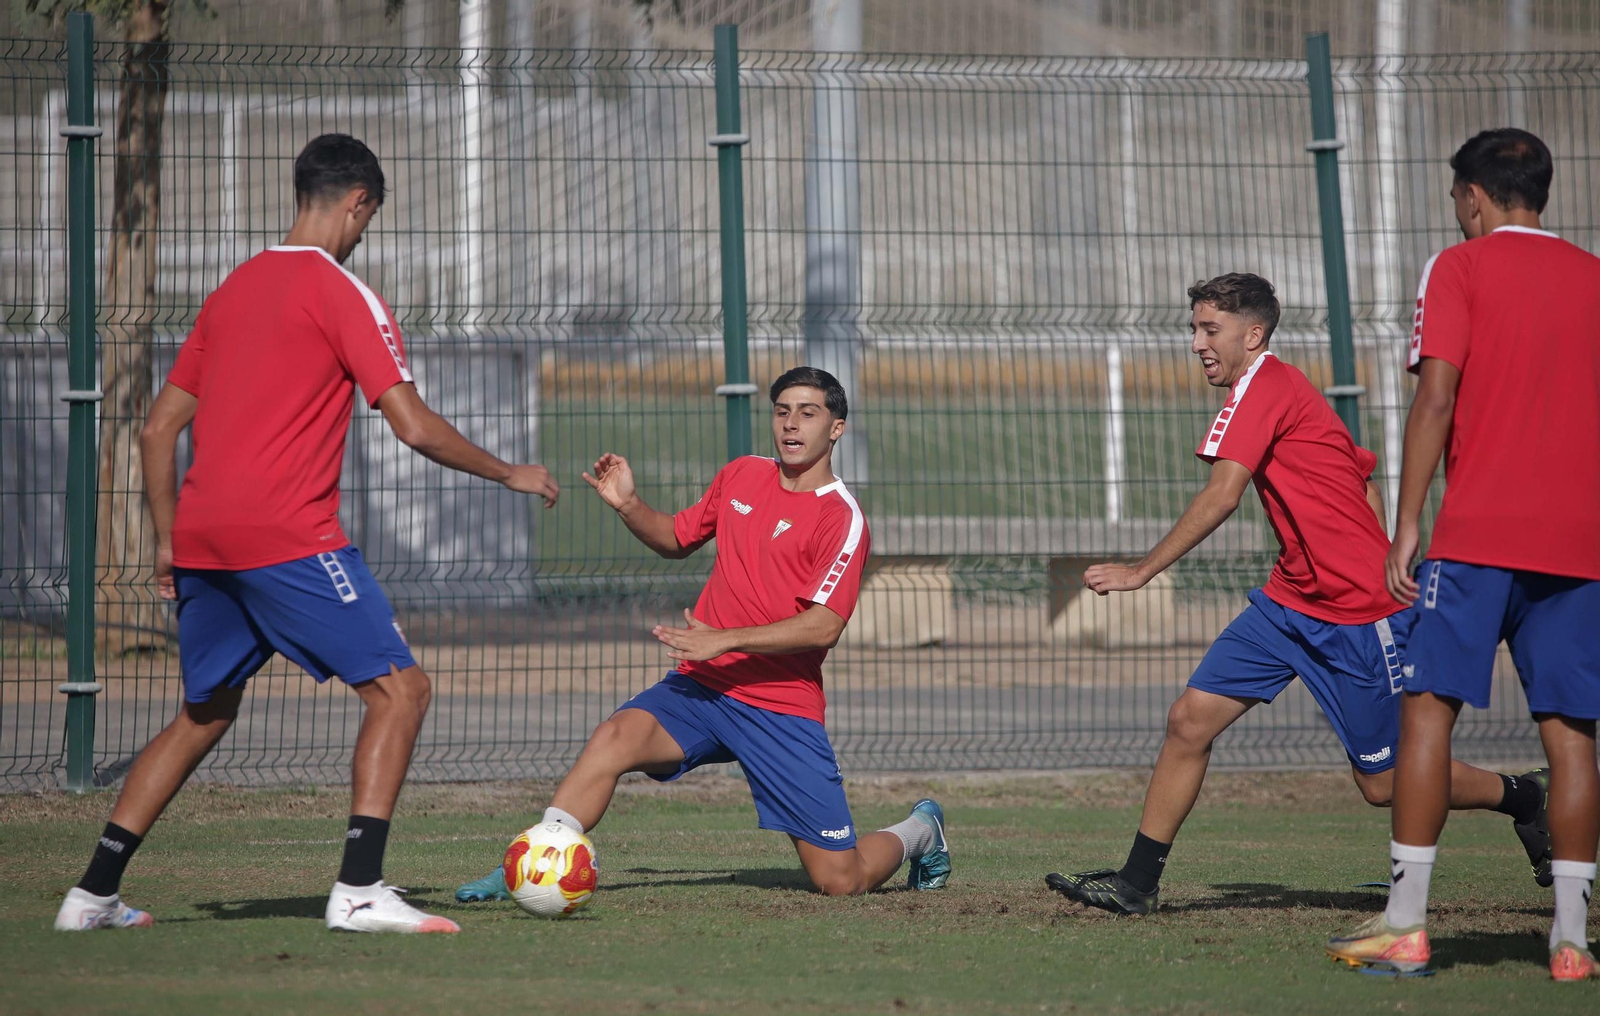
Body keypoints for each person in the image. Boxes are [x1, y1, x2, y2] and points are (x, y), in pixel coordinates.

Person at [54, 134, 560, 935]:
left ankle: (90, 896)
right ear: (359, 202)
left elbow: (157, 431)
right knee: (403, 690)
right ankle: (360, 889)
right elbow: (414, 426)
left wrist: (164, 540)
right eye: (368, 218)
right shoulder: (342, 293)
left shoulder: (233, 289)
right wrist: (513, 474)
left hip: (202, 539)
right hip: (285, 533)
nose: (364, 232)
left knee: (204, 713)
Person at [1044, 273, 1548, 917]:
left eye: (1210, 329)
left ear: (1252, 336)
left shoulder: (1268, 385)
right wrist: (1373, 541)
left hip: (1358, 616)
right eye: (1194, 328)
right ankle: (1137, 882)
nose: (1197, 342)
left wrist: (1142, 570)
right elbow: (1358, 471)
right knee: (1188, 721)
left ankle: (1524, 797)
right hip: (1289, 604)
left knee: (1383, 783)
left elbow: (1224, 494)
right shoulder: (1276, 388)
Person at [455, 366, 950, 902]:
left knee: (840, 879)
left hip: (777, 704)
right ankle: (530, 865)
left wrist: (726, 639)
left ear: (836, 428)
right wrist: (628, 505)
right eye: (782, 411)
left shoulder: (840, 518)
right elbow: (674, 537)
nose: (791, 424)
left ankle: (920, 832)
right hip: (703, 688)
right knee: (612, 739)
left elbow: (823, 626)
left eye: (808, 413)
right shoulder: (741, 474)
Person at [1327, 129, 1600, 981]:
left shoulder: (1459, 268)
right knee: (1572, 740)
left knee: (1427, 715)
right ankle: (1570, 942)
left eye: (1457, 199)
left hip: (1477, 537)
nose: (1459, 213)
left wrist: (1407, 521)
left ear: (1474, 196)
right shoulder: (1594, 278)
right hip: (1579, 545)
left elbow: (1436, 398)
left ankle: (1406, 927)